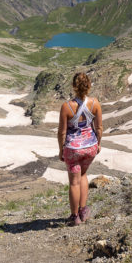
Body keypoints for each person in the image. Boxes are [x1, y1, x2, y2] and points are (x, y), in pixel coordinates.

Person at [57, 71, 102, 226]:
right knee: (83, 175)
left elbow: (62, 132)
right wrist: (99, 144)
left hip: (73, 149)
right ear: (89, 86)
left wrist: (61, 150)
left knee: (74, 182)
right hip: (90, 147)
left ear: (74, 86)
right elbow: (99, 128)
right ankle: (83, 210)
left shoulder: (66, 107)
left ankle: (74, 216)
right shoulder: (95, 103)